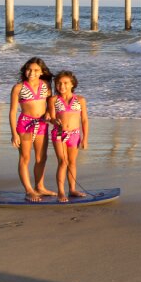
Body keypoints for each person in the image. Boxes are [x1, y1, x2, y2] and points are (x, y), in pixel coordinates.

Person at [9, 57, 56, 202]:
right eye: (29, 69)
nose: (32, 72)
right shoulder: (19, 87)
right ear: (25, 70)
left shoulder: (46, 85)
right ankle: (29, 190)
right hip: (25, 125)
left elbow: (50, 104)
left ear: (42, 72)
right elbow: (12, 111)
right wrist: (14, 133)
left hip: (41, 124)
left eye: (36, 70)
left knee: (41, 157)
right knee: (25, 158)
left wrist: (49, 113)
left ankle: (39, 186)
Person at [48, 71, 90, 202]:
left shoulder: (80, 100)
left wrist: (85, 138)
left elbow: (84, 120)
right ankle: (61, 191)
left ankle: (72, 189)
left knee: (72, 162)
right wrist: (55, 122)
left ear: (72, 84)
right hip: (59, 134)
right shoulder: (53, 100)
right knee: (62, 162)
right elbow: (52, 118)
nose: (62, 86)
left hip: (75, 135)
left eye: (65, 83)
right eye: (59, 83)